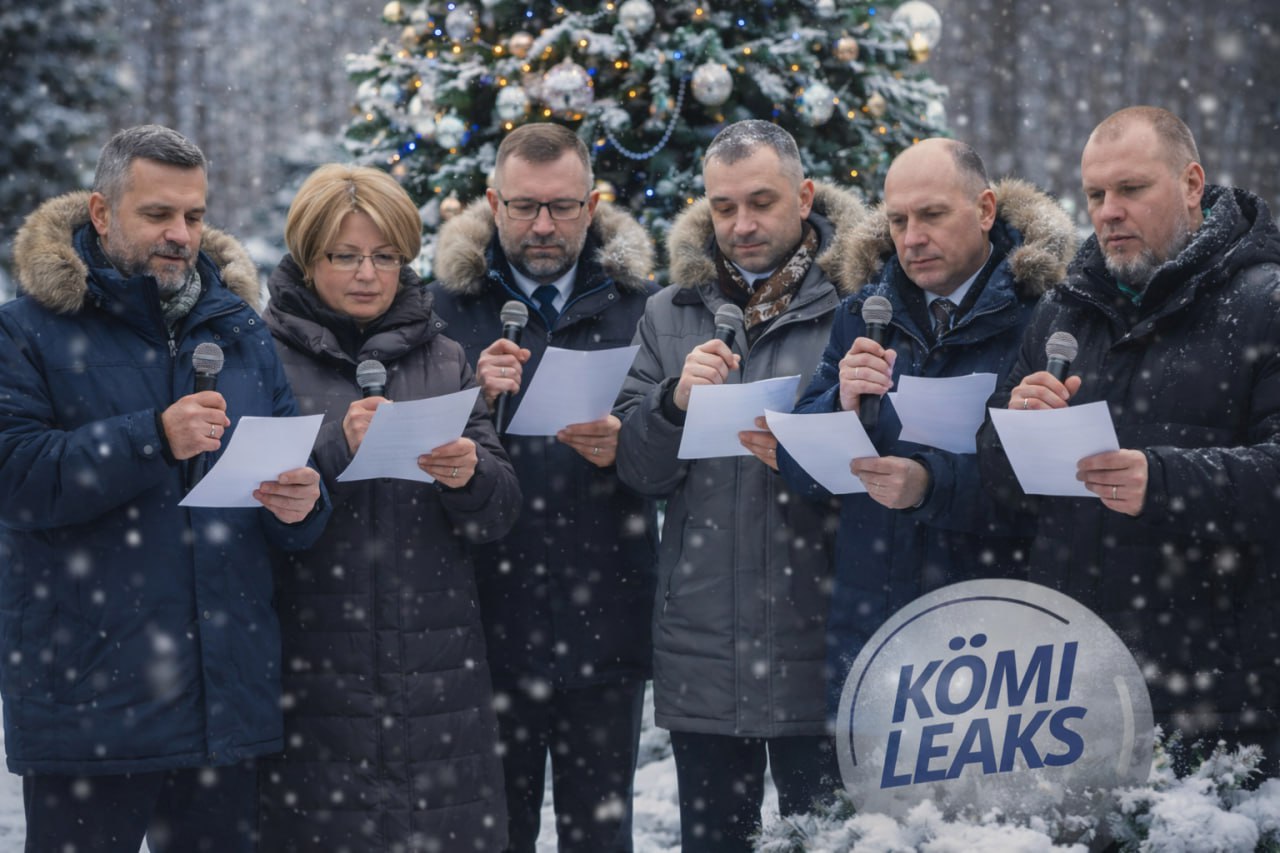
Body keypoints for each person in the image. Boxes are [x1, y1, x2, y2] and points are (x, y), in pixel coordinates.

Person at [0, 124, 328, 852]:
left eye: (194, 215)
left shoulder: (241, 331)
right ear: (100, 211)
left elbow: (289, 478)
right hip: (89, 708)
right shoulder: (25, 331)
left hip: (222, 705)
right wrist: (152, 436)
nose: (180, 234)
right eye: (157, 214)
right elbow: (15, 475)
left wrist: (303, 505)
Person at [978, 106, 1280, 771]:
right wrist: (1012, 430)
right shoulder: (1062, 310)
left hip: (1223, 703)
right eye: (1094, 194)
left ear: (1192, 184)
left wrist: (1163, 481)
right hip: (1072, 691)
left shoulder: (1265, 302)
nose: (1108, 211)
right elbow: (999, 483)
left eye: (1132, 189)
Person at [614, 120, 866, 851]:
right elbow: (638, 469)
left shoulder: (857, 301)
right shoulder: (669, 313)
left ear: (805, 196)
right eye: (723, 207)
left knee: (829, 839)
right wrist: (672, 403)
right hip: (705, 642)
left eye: (761, 202)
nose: (742, 225)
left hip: (822, 632)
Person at [255, 163, 521, 850]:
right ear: (307, 257)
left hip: (436, 673)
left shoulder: (444, 357)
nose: (368, 274)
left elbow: (499, 510)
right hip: (313, 668)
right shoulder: (261, 358)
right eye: (345, 256)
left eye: (386, 256)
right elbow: (245, 505)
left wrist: (470, 474)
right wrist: (336, 450)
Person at [779, 138, 1074, 712]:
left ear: (985, 210)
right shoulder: (863, 313)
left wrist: (932, 485)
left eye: (932, 215)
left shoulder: (1046, 315)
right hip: (872, 631)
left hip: (994, 636)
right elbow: (799, 470)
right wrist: (840, 407)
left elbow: (1055, 493)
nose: (912, 238)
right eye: (898, 221)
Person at [428, 123, 658, 853]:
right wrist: (471, 396)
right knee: (495, 833)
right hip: (485, 619)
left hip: (608, 612)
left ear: (592, 206)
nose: (543, 226)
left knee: (600, 835)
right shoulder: (441, 311)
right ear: (494, 204)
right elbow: (411, 451)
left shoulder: (644, 307)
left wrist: (629, 441)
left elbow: (676, 450)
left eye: (561, 207)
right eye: (525, 206)